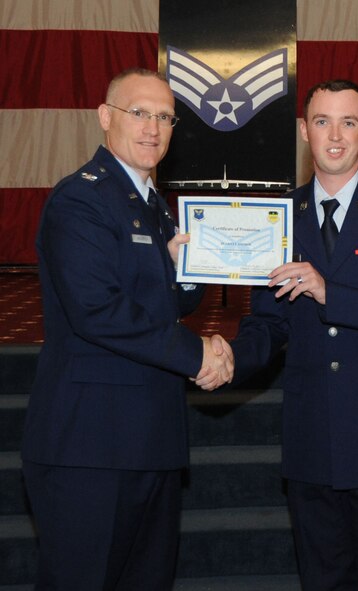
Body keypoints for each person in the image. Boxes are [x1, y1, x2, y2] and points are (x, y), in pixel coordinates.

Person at [223, 79, 358, 590]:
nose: (336, 136)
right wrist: (227, 359)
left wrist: (330, 292)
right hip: (311, 434)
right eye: (323, 122)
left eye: (349, 122)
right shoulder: (279, 217)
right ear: (305, 130)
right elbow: (268, 321)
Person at [21, 68, 233, 590]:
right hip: (91, 446)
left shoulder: (153, 204)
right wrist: (198, 355)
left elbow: (160, 301)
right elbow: (98, 311)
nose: (152, 128)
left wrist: (189, 271)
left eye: (165, 117)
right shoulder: (81, 200)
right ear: (105, 117)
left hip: (150, 439)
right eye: (139, 113)